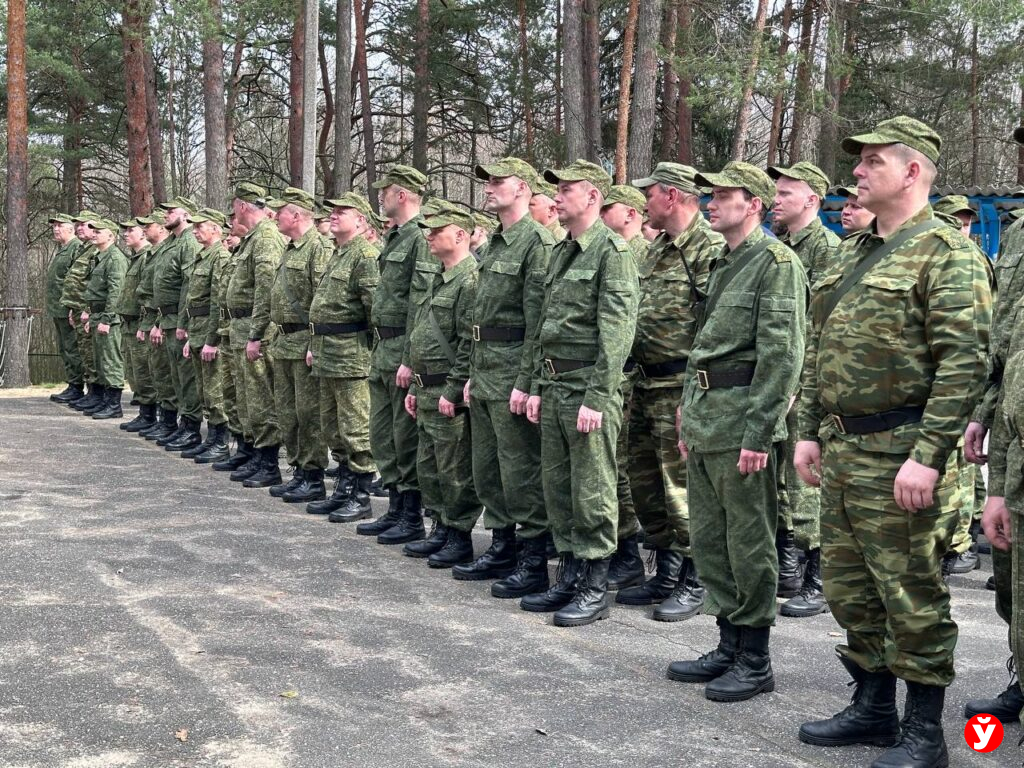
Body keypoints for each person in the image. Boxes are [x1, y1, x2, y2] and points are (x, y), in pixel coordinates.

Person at [793, 116, 992, 767]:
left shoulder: (948, 253)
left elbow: (963, 364)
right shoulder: (852, 253)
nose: (856, 172)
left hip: (904, 454)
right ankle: (874, 708)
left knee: (911, 593)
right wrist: (808, 434)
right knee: (851, 589)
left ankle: (924, 733)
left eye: (872, 162)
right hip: (845, 452)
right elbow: (818, 349)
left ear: (912, 172)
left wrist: (928, 457)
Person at [668, 162, 806, 702]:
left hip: (743, 422)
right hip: (708, 418)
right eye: (710, 197)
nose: (710, 205)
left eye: (723, 196)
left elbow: (782, 355)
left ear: (753, 204)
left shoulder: (776, 263)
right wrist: (687, 410)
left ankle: (755, 657)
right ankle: (727, 641)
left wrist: (760, 432)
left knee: (748, 541)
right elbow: (701, 347)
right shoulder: (726, 263)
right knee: (710, 538)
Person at [520, 159, 639, 627]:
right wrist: (534, 386)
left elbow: (617, 331)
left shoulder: (612, 252)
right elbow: (542, 327)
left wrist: (598, 395)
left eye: (566, 191)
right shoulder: (562, 251)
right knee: (560, 486)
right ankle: (569, 574)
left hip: (588, 387)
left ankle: (594, 582)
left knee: (592, 488)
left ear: (592, 197)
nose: (556, 199)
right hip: (553, 384)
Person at [618, 163, 724, 622]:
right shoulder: (653, 249)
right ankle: (665, 569)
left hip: (680, 385)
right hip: (644, 382)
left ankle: (696, 577)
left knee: (681, 487)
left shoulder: (709, 249)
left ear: (673, 195)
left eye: (651, 194)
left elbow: (714, 326)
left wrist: (695, 397)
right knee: (646, 485)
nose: (644, 202)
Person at [452, 157, 554, 594]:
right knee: (488, 468)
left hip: (514, 369)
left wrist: (526, 381)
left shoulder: (537, 243)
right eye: (488, 182)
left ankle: (532, 559)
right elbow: (480, 316)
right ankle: (503, 545)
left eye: (498, 182)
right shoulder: (495, 242)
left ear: (523, 190)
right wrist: (472, 373)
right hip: (487, 369)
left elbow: (538, 322)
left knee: (520, 471)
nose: (489, 188)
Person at [965, 125, 1024, 723]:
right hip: (1011, 422)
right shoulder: (1018, 232)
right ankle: (1021, 674)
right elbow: (1001, 336)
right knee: (1010, 571)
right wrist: (984, 408)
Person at [767, 161, 841, 617]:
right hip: (780, 379)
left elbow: (823, 325)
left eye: (786, 194)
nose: (776, 201)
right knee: (780, 478)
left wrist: (800, 384)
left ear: (811, 200)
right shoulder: (780, 248)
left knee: (807, 483)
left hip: (807, 380)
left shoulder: (828, 249)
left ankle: (818, 575)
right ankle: (788, 564)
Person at [403, 203, 483, 567]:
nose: (429, 236)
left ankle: (458, 535)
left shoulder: (469, 279)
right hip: (425, 387)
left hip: (446, 388)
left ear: (461, 235)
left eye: (438, 230)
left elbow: (469, 342)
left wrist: (454, 388)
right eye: (428, 231)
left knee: (454, 470)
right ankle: (439, 527)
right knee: (429, 466)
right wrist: (414, 387)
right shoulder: (438, 276)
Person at [358, 165, 432, 544]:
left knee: (406, 439)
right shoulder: (394, 238)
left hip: (401, 347)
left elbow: (420, 304)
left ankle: (411, 516)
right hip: (382, 348)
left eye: (384, 191)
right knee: (383, 436)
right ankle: (394, 507)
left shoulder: (420, 238)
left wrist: (410, 357)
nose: (379, 197)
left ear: (401, 195)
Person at [305, 192, 380, 522]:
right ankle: (344, 487)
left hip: (351, 355)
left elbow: (375, 310)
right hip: (326, 353)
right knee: (332, 427)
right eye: (332, 212)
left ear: (361, 220)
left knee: (355, 427)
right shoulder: (339, 253)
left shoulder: (365, 255)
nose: (333, 216)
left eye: (342, 212)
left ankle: (362, 494)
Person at [259, 188, 331, 503]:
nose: (275, 216)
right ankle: (299, 470)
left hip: (305, 340)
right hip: (284, 341)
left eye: (280, 211)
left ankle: (313, 476)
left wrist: (316, 342)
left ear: (297, 215)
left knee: (308, 413)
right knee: (288, 413)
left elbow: (322, 301)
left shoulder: (319, 247)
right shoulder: (290, 248)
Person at [598, 183, 650, 591]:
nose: (602, 213)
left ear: (631, 214)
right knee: (614, 469)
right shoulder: (609, 251)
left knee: (625, 471)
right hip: (622, 376)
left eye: (610, 207)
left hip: (638, 377)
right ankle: (622, 549)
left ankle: (629, 551)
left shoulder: (640, 254)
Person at [223, 183, 286, 487]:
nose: (233, 212)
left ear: (244, 206)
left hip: (255, 328)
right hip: (241, 328)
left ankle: (269, 461)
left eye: (235, 206)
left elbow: (266, 291)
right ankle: (254, 454)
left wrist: (257, 334)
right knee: (249, 399)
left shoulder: (266, 239)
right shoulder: (251, 240)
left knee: (262, 398)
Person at [180, 208, 233, 463]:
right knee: (203, 390)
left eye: (200, 226)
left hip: (210, 332)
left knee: (215, 391)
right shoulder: (202, 257)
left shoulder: (220, 257)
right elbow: (192, 300)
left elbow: (216, 303)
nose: (195, 230)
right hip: (198, 328)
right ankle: (211, 438)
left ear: (215, 229)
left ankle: (220, 441)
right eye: (194, 226)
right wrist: (192, 335)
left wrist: (213, 340)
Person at [151, 196, 203, 451]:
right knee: (175, 375)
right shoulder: (170, 243)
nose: (166, 215)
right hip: (168, 318)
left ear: (185, 214)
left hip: (181, 319)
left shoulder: (189, 242)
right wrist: (160, 321)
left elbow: (189, 286)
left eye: (171, 211)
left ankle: (192, 427)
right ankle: (181, 423)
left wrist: (185, 321)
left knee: (187, 376)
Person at [136, 212, 179, 441]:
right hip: (158, 318)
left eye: (148, 225)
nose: (144, 229)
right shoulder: (158, 251)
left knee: (168, 375)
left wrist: (157, 323)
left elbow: (175, 290)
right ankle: (165, 420)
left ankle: (172, 423)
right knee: (159, 373)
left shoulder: (174, 248)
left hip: (168, 319)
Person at [81, 218, 129, 419]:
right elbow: (93, 290)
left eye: (99, 231)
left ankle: (113, 405)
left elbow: (115, 292)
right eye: (93, 231)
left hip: (107, 316)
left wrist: (107, 319)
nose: (94, 234)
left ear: (111, 235)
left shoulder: (115, 258)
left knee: (110, 360)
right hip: (97, 314)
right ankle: (104, 401)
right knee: (100, 360)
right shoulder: (99, 257)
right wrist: (89, 313)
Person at [116, 218, 157, 431]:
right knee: (135, 373)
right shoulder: (136, 258)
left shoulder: (147, 257)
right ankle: (144, 412)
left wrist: (145, 323)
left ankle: (150, 415)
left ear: (143, 233)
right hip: (129, 323)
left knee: (144, 372)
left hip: (141, 323)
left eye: (131, 230)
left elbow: (147, 294)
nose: (125, 234)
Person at [62, 212, 100, 411]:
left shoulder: (97, 251)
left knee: (91, 353)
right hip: (77, 309)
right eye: (77, 225)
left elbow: (94, 285)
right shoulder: (83, 250)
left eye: (84, 225)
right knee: (84, 353)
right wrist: (72, 308)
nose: (79, 228)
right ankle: (90, 391)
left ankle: (97, 393)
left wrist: (87, 309)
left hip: (89, 311)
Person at [46, 214, 85, 403]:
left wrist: (72, 306)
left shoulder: (76, 247)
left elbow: (76, 281)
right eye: (54, 226)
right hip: (58, 308)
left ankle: (77, 386)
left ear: (71, 228)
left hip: (67, 308)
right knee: (64, 348)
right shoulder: (64, 249)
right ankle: (72, 383)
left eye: (60, 225)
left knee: (72, 347)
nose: (55, 229)